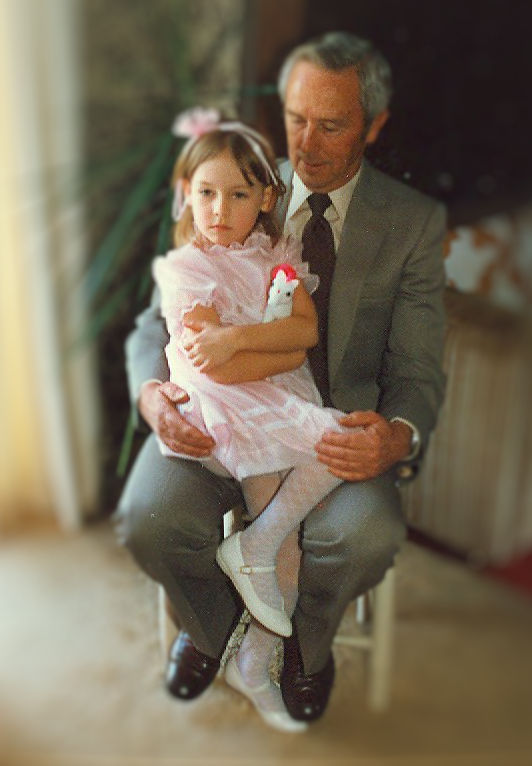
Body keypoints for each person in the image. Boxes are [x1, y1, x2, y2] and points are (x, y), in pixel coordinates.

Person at [116, 31, 446, 725]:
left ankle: (302, 648)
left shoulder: (411, 223)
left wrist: (396, 436)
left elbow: (417, 368)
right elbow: (155, 324)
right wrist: (151, 395)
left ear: (374, 125)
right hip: (213, 413)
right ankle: (213, 628)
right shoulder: (226, 185)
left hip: (330, 429)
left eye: (332, 124)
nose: (307, 143)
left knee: (363, 536)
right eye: (296, 119)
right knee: (149, 518)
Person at [151, 116, 357, 730]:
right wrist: (275, 350)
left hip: (276, 395)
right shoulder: (187, 270)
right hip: (229, 411)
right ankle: (255, 593)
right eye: (207, 193)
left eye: (238, 194)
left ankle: (253, 650)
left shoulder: (277, 255)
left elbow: (305, 332)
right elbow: (218, 369)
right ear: (187, 193)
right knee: (296, 507)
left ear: (266, 198)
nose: (220, 209)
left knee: (312, 492)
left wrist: (241, 337)